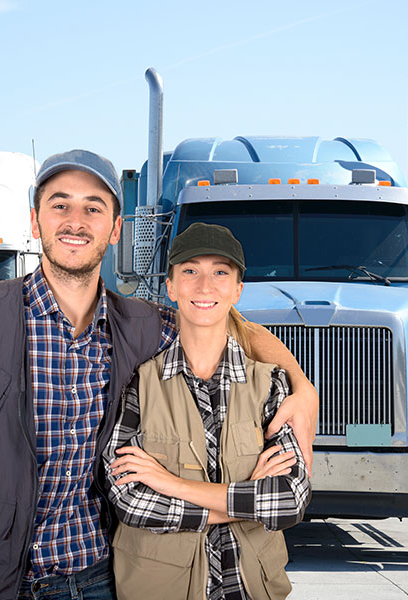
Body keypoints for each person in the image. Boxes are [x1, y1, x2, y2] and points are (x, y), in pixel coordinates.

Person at [0, 150, 318, 600]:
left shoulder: (148, 327)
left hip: (100, 578)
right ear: (36, 222)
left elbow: (228, 323)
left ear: (114, 229)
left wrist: (301, 386)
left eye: (93, 207)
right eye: (60, 204)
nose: (76, 220)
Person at [103, 223, 310, 600]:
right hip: (160, 587)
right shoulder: (138, 383)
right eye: (190, 271)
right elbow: (128, 497)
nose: (204, 286)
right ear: (170, 286)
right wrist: (246, 499)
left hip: (251, 588)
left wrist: (172, 485)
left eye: (220, 272)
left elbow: (289, 498)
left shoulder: (270, 384)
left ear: (237, 290)